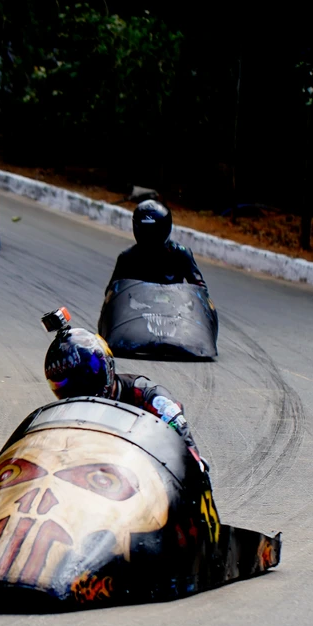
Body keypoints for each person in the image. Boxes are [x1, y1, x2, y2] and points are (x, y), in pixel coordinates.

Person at [41, 307, 208, 472]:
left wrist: (196, 465)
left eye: (81, 382)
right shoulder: (65, 414)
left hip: (148, 475)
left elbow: (187, 445)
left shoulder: (150, 396)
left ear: (102, 368)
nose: (75, 393)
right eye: (64, 387)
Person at [108, 200, 205, 286]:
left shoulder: (181, 254)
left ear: (165, 228)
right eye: (145, 231)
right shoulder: (127, 258)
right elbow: (112, 292)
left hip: (174, 301)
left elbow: (200, 289)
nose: (150, 236)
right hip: (138, 301)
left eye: (154, 231)